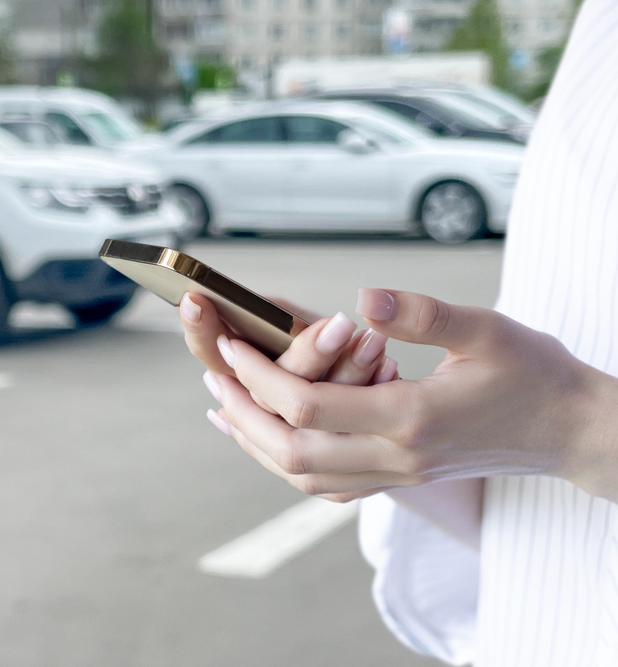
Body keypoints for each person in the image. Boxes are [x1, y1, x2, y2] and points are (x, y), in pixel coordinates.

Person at [178, 1, 618, 664]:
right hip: (535, 625)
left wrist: (578, 427)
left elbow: (570, 423)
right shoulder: (599, 28)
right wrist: (405, 435)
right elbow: (536, 445)